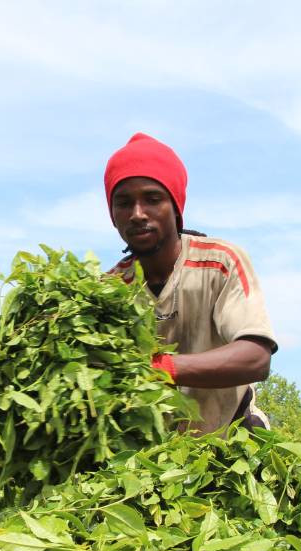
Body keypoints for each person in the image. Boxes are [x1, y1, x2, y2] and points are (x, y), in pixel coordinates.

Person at [103, 132, 277, 434]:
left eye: (153, 199)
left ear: (175, 206)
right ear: (113, 214)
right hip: (150, 459)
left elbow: (255, 357)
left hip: (233, 439)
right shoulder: (109, 289)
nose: (137, 214)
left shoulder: (220, 263)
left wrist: (160, 368)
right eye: (124, 203)